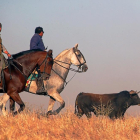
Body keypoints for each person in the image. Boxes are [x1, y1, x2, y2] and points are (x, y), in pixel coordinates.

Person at [30, 27, 46, 93]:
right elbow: (33, 47)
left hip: (38, 56)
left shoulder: (38, 37)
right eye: (43, 32)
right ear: (41, 32)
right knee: (40, 69)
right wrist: (42, 51)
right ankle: (39, 87)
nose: (43, 34)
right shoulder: (36, 37)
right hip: (36, 57)